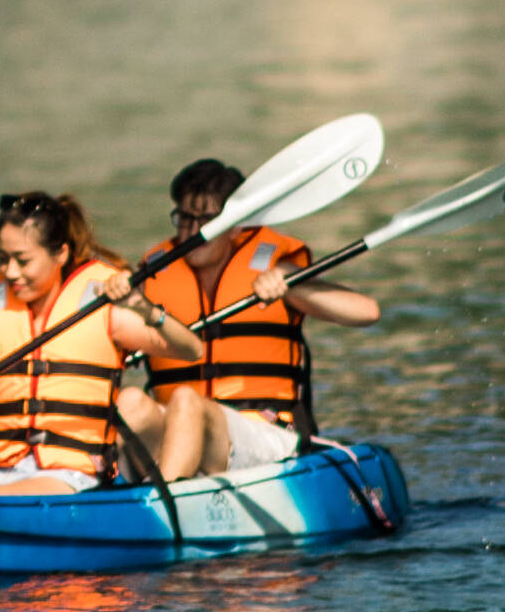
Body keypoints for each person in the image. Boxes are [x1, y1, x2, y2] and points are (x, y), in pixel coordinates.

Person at [122, 152, 382, 481]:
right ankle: (146, 492)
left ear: (236, 226)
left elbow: (367, 312)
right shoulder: (153, 277)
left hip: (265, 432)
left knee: (187, 402)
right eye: (183, 218)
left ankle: (165, 504)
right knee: (130, 401)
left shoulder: (276, 265)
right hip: (179, 430)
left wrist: (291, 284)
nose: (191, 232)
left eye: (205, 221)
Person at [0, 188, 149, 493]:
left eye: (23, 260)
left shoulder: (104, 312)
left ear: (61, 254)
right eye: (3, 258)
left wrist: (148, 311)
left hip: (66, 474)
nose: (10, 271)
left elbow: (189, 350)